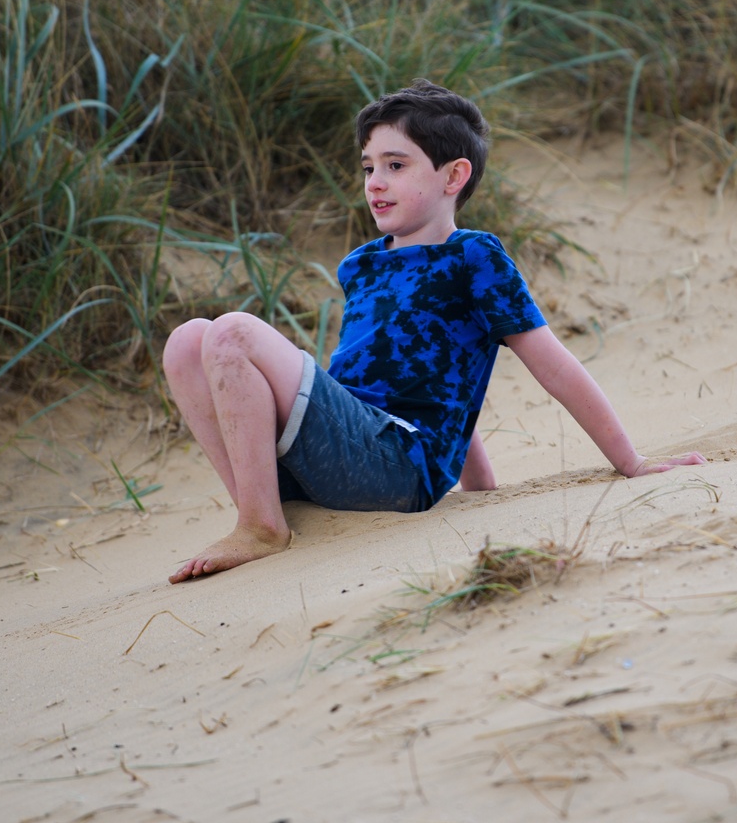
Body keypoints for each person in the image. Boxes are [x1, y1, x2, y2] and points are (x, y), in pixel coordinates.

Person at [163, 79, 705, 583]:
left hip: (400, 465)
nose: (375, 182)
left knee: (232, 331)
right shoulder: (361, 265)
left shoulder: (473, 257)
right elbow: (420, 372)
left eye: (396, 165)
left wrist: (631, 462)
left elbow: (553, 366)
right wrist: (480, 487)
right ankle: (262, 507)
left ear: (453, 177)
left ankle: (260, 528)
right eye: (368, 167)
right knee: (187, 340)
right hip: (343, 454)